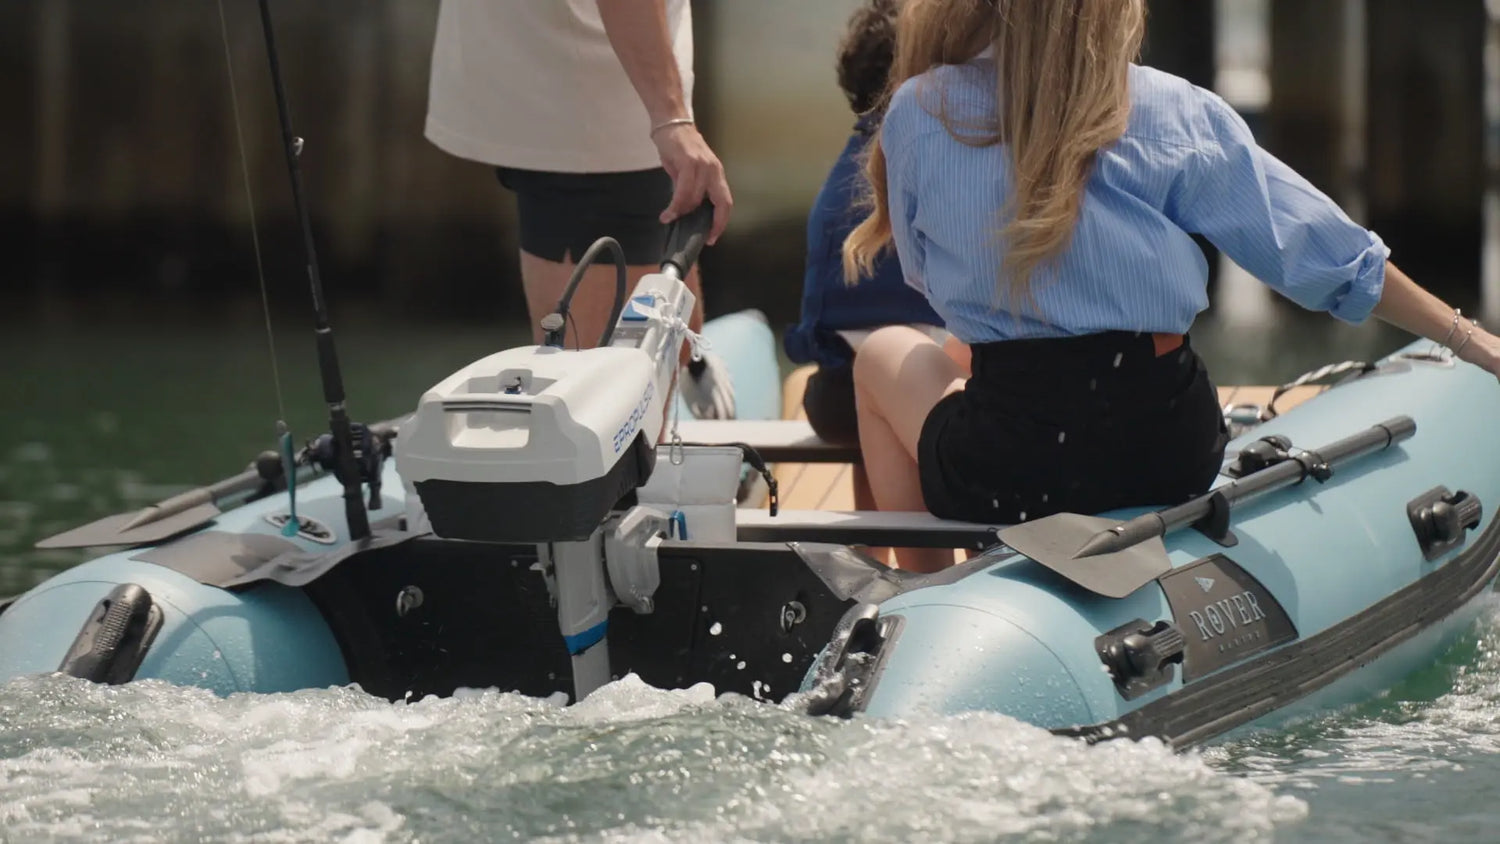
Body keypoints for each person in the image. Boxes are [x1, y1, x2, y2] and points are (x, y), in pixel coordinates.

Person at [844, 0, 1500, 573]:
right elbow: (1326, 256)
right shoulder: (1173, 110)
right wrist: (1468, 339)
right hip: (1164, 451)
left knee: (883, 353)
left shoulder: (921, 111)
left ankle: (927, 589)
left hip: (1011, 462)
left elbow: (925, 276)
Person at [425, 0, 735, 418]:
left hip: (583, 90)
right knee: (601, 395)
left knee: (672, 333)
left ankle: (689, 367)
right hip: (595, 115)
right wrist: (672, 121)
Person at [784, 0, 960, 456]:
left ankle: (875, 522)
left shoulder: (844, 169)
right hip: (911, 384)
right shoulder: (940, 158)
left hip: (832, 393)